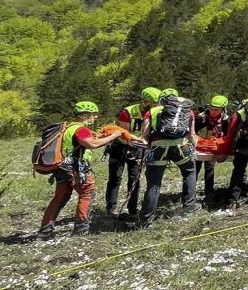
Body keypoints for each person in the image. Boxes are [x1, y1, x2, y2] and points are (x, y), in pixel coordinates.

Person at [38, 101, 124, 239]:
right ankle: (81, 229)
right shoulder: (81, 129)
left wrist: (103, 135)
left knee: (60, 197)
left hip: (61, 167)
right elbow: (91, 143)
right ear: (84, 115)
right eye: (93, 115)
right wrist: (114, 136)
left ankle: (45, 231)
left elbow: (88, 138)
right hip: (76, 168)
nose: (95, 118)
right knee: (87, 194)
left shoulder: (68, 127)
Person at [139, 88, 198, 229]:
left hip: (158, 147)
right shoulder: (188, 111)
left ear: (161, 99)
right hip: (180, 147)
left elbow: (145, 135)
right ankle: (189, 208)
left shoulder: (152, 111)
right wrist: (194, 150)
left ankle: (146, 221)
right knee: (189, 172)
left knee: (154, 184)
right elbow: (192, 135)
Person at [105, 87, 160, 219]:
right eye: (154, 103)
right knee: (115, 178)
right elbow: (123, 133)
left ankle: (132, 209)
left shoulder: (155, 113)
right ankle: (111, 208)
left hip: (138, 149)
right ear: (146, 102)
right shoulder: (128, 112)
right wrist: (139, 140)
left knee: (134, 179)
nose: (157, 106)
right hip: (120, 147)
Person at [195, 94, 231, 206]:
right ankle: (189, 193)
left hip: (213, 148)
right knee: (194, 170)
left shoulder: (226, 120)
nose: (213, 111)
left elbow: (227, 135)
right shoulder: (201, 117)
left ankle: (209, 194)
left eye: (216, 110)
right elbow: (193, 131)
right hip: (199, 147)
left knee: (209, 170)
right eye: (211, 109)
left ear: (222, 110)